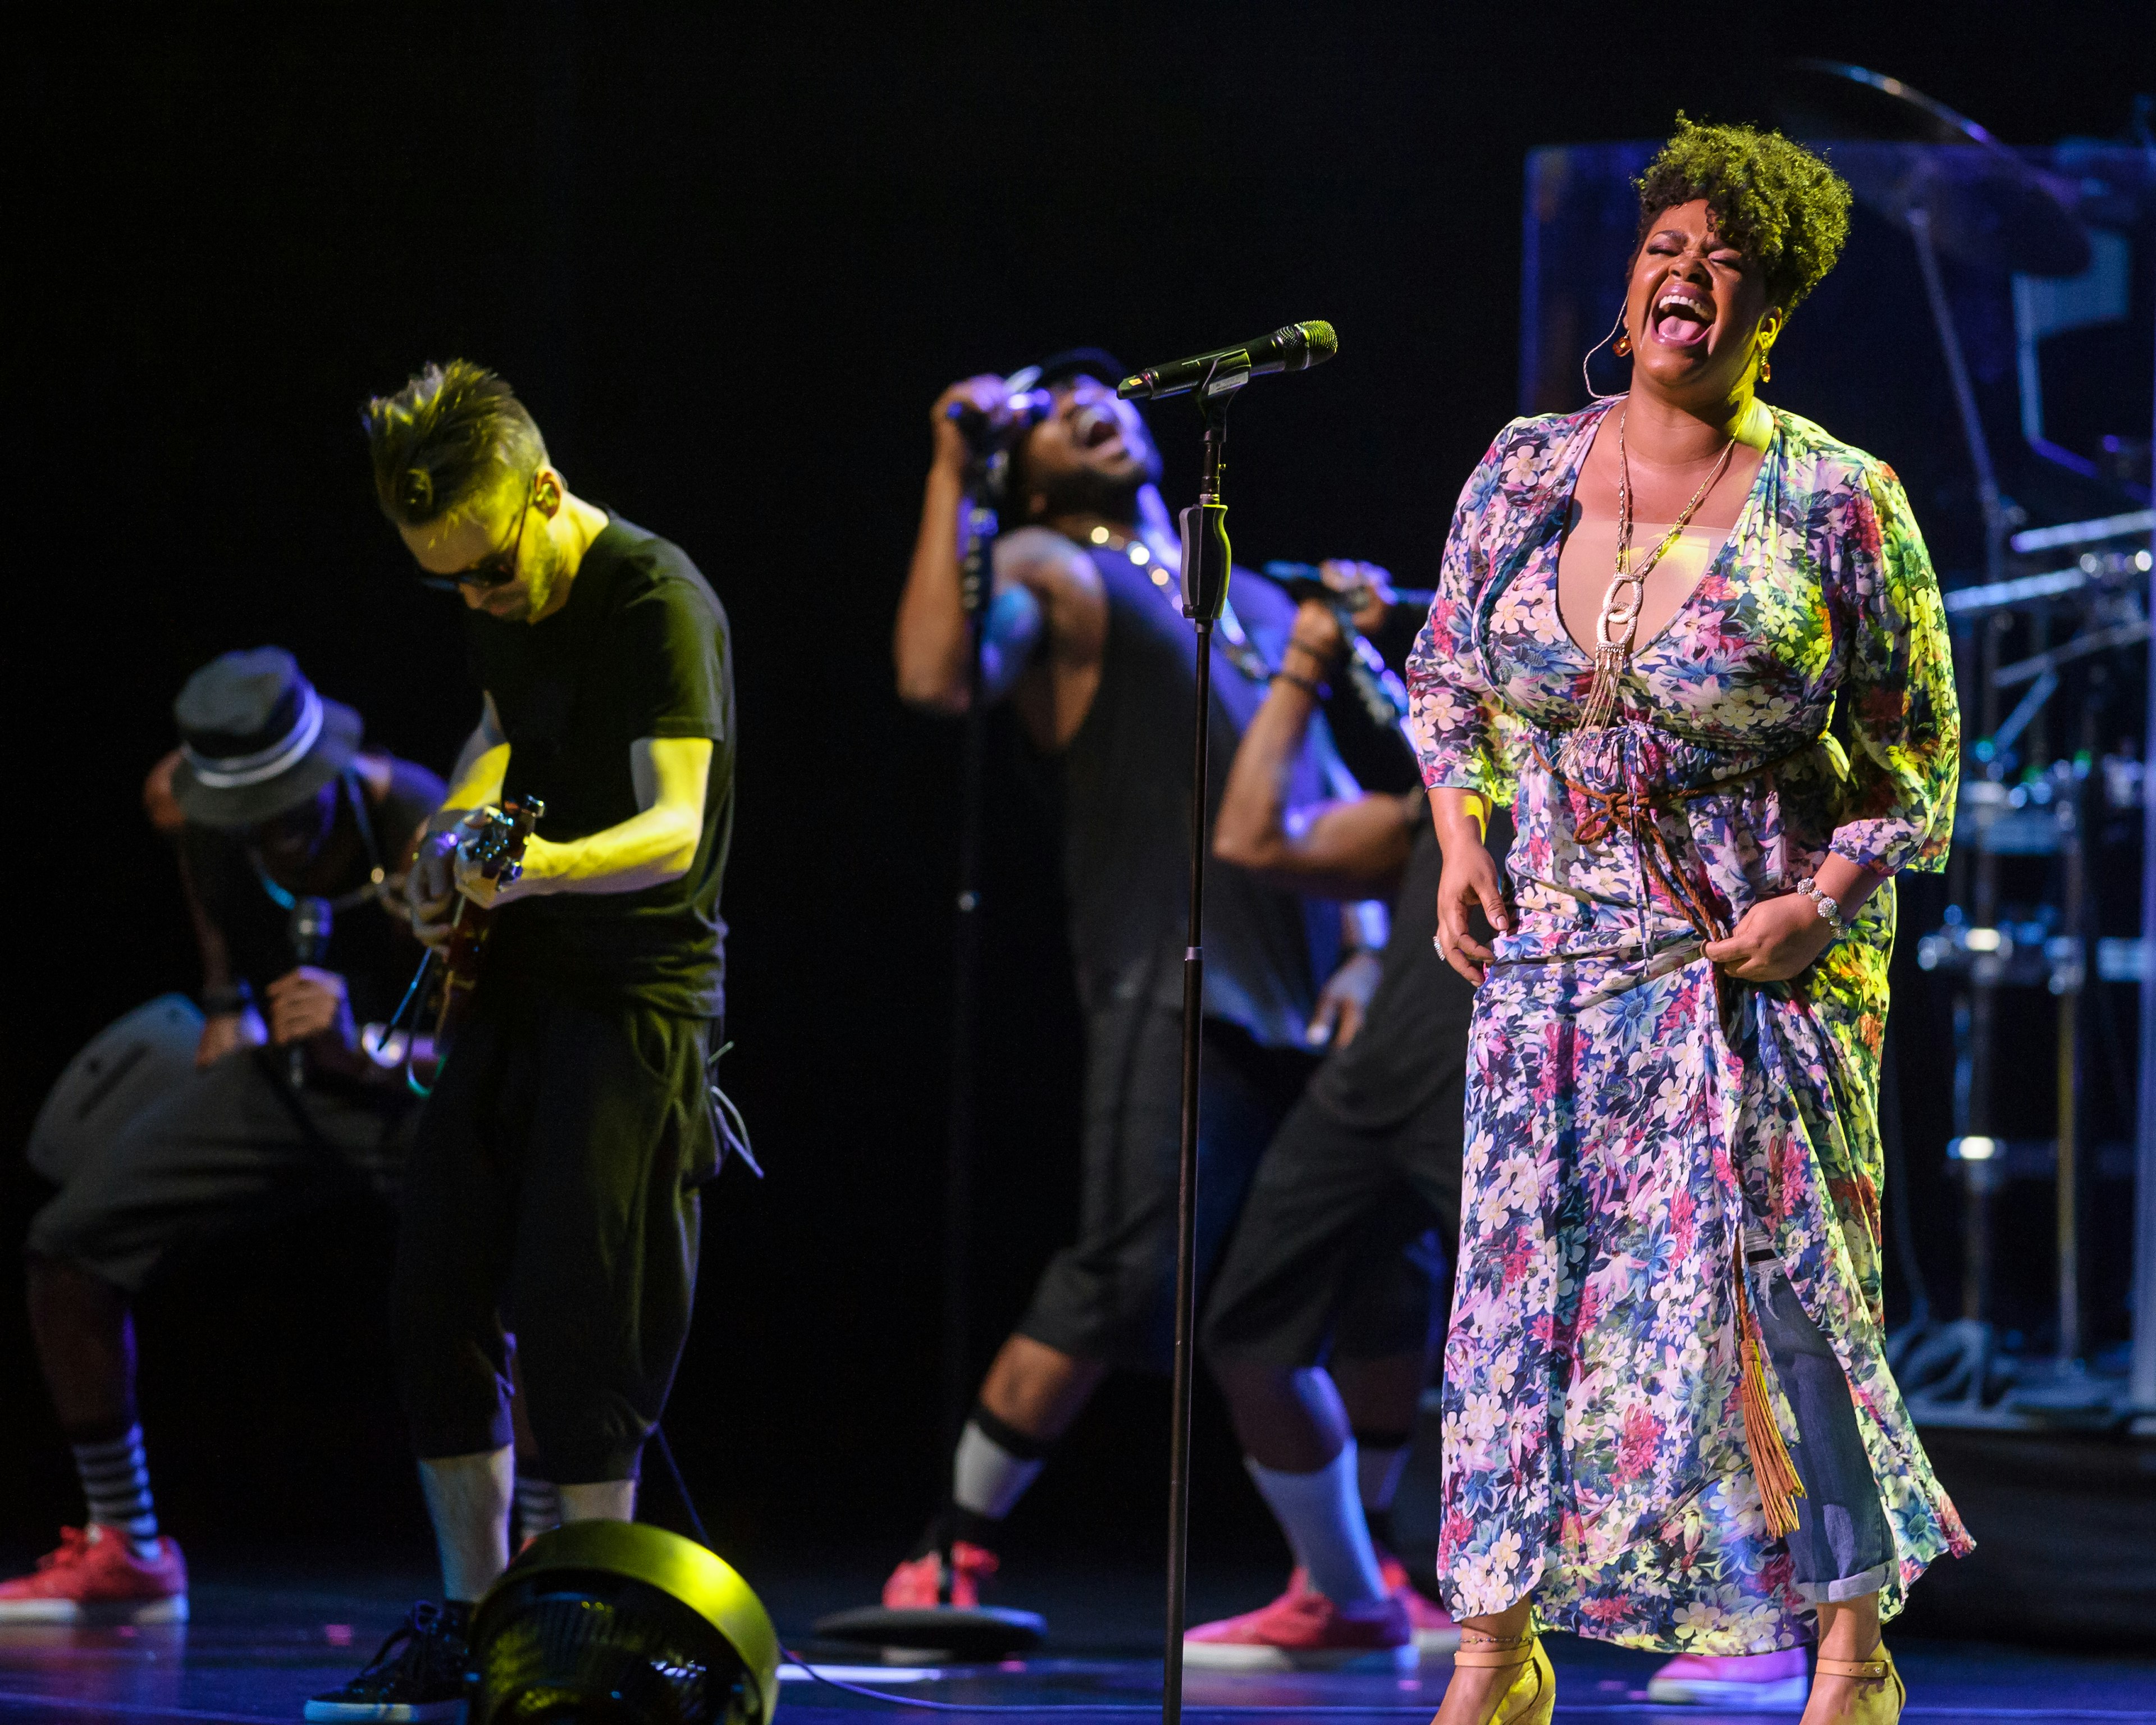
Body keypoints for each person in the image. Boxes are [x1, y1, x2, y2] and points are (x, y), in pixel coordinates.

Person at [1407, 121, 1971, 1725]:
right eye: (1669, 250)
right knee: (1520, 1303)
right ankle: (1495, 1654)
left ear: (1770, 309)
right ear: (1631, 275)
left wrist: (1820, 904)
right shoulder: (1522, 469)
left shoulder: (1840, 501)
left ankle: (1855, 1650)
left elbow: (1919, 758)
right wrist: (1463, 835)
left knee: (1799, 1310)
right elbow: (1450, 673)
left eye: (1727, 265)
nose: (1689, 280)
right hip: (1560, 966)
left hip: (1757, 970)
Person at [885, 351, 1405, 1609]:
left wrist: (1376, 949)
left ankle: (1355, 1573)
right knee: (1123, 1270)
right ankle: (948, 1551)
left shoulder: (1258, 601)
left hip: (1317, 1005)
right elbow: (937, 678)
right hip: (1171, 986)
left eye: (1104, 396)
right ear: (1028, 476)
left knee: (1389, 1280)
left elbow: (1331, 800)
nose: (1094, 412)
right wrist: (956, 471)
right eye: (1058, 417)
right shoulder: (1049, 569)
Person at [309, 360, 734, 1723]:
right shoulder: (498, 593)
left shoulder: (655, 598)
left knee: (584, 1320)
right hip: (518, 982)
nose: (478, 599)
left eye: (490, 567)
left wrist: (536, 870)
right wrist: (448, 839)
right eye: (450, 584)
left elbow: (676, 828)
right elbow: (503, 731)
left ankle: (588, 1623)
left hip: (634, 992)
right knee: (434, 1293)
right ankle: (478, 1620)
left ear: (545, 495)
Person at [2, 648, 441, 1625]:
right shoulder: (201, 810)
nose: (273, 840)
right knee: (67, 1248)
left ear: (329, 770)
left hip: (415, 1091)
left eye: (292, 811)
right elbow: (207, 875)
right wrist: (224, 998)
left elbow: (489, 1048)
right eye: (250, 819)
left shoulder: (420, 822)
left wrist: (364, 1042)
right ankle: (130, 1546)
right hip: (281, 1089)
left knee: (513, 1279)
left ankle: (542, 1554)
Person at [1180, 570, 1513, 1669]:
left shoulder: (1588, 761)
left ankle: (1748, 1627)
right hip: (1374, 1089)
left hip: (1514, 1085)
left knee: (1591, 1360)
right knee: (1247, 1331)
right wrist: (1307, 664)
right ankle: (1346, 1591)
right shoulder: (1448, 798)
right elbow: (1253, 835)